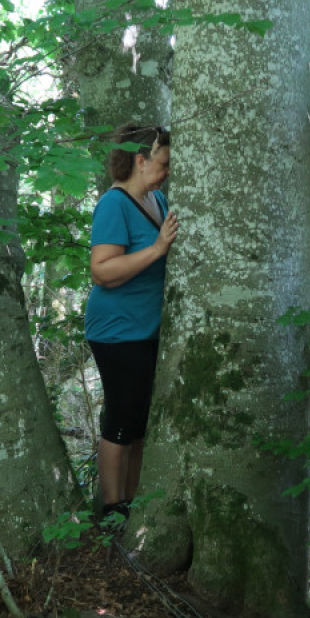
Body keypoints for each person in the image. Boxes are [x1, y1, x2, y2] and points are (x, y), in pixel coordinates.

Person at [85, 124, 176, 522]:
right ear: (140, 161)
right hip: (118, 331)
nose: (169, 169)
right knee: (122, 418)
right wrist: (157, 250)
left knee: (140, 423)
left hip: (146, 329)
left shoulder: (157, 199)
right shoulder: (114, 204)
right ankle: (112, 506)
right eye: (163, 162)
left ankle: (133, 504)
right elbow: (102, 271)